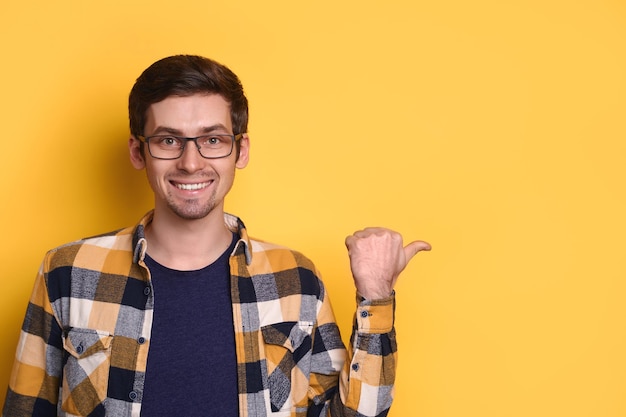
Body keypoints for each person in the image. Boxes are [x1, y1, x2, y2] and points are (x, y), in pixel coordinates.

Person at [2, 55, 430, 417]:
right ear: (138, 152)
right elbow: (25, 408)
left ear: (240, 151)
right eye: (169, 140)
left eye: (212, 139)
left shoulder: (295, 278)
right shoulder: (67, 271)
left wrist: (376, 296)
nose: (191, 162)